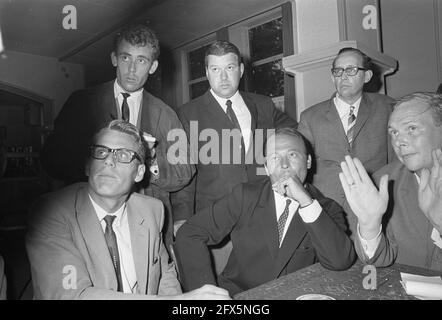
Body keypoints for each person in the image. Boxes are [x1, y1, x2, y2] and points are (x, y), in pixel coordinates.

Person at [26, 120, 230, 299]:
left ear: (140, 173)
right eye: (101, 152)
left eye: (123, 155)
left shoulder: (151, 210)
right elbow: (71, 295)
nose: (108, 160)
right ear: (88, 166)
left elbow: (164, 274)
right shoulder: (51, 212)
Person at [41, 23, 194, 252]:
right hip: (88, 221)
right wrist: (95, 157)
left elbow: (185, 173)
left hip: (148, 224)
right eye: (125, 58)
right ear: (114, 59)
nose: (132, 69)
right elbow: (51, 160)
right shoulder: (81, 103)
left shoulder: (166, 115)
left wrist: (150, 162)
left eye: (141, 60)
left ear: (152, 67)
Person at [174, 128, 355, 295]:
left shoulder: (327, 209)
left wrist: (306, 202)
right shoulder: (245, 196)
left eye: (292, 155)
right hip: (239, 297)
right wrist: (204, 293)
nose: (284, 165)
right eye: (275, 158)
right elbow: (190, 233)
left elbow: (340, 261)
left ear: (308, 161)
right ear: (267, 167)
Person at [173, 40, 297, 273]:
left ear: (240, 69)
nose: (223, 77)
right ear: (206, 73)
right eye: (215, 69)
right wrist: (182, 217)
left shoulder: (263, 105)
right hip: (214, 218)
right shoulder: (188, 113)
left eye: (229, 68)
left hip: (260, 213)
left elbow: (298, 134)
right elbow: (183, 171)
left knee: (262, 283)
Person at [298, 47, 395, 236]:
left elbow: (396, 161)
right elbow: (301, 166)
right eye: (338, 71)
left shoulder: (388, 107)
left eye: (351, 70)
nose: (343, 76)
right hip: (327, 211)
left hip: (373, 207)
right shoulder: (310, 116)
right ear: (332, 77)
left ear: (367, 76)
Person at [339, 92, 442, 270]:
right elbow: (380, 261)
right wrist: (370, 227)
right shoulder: (382, 183)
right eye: (394, 132)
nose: (399, 141)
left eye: (411, 128)